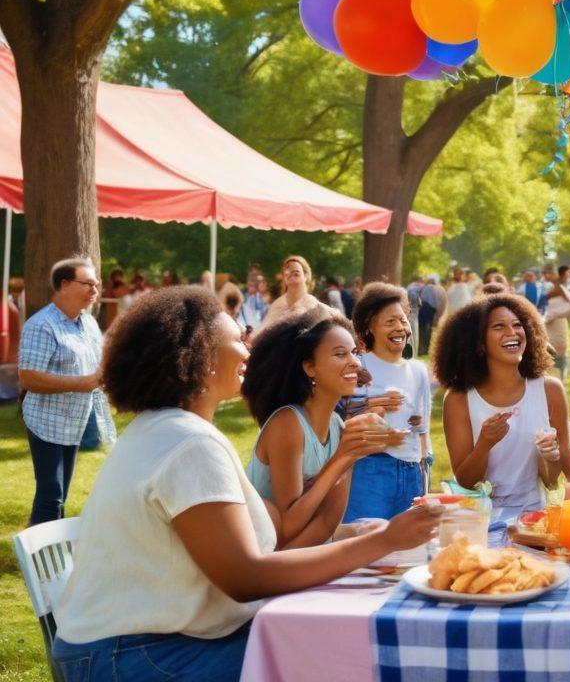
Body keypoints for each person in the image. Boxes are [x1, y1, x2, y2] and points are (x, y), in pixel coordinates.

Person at [50, 287, 441, 679]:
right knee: (335, 659)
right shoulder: (188, 443)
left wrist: (349, 494)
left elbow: (269, 541)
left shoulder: (170, 429)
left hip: (145, 643)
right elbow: (247, 578)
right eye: (238, 339)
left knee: (324, 645)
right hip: (129, 655)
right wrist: (384, 541)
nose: (247, 350)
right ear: (202, 357)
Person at [242, 307, 390, 547]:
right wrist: (343, 457)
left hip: (292, 555)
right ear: (310, 368)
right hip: (263, 555)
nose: (354, 362)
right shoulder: (288, 424)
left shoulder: (337, 426)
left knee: (378, 528)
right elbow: (288, 529)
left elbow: (326, 523)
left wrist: (352, 451)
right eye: (340, 354)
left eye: (354, 352)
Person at [434, 295, 570, 513]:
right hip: (479, 519)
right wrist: (484, 444)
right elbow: (466, 481)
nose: (512, 333)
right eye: (499, 326)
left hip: (533, 517)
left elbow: (557, 469)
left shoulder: (550, 390)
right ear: (479, 344)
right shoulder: (458, 399)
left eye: (517, 325)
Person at [18, 256, 116, 525]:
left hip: (73, 423)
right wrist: (82, 384)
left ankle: (51, 553)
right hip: (45, 422)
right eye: (88, 284)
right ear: (64, 284)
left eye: (96, 284)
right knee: (51, 496)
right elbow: (28, 378)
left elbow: (97, 368)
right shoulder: (41, 325)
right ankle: (37, 559)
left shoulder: (89, 324)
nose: (95, 290)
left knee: (61, 495)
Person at [341, 283, 433, 521]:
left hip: (412, 471)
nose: (400, 328)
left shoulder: (418, 370)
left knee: (408, 551)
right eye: (390, 322)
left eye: (403, 321)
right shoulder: (359, 366)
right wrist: (375, 415)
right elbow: (341, 422)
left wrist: (426, 470)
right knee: (364, 545)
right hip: (370, 470)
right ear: (370, 327)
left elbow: (423, 430)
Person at [544, 265, 570, 379]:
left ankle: (561, 371)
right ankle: (549, 370)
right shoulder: (555, 284)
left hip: (560, 319)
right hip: (550, 317)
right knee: (550, 342)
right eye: (568, 272)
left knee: (561, 344)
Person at [262, 255, 321, 326]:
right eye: (287, 275)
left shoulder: (313, 305)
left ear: (306, 275)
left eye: (296, 274)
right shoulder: (277, 306)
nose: (292, 278)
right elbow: (263, 329)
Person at [417, 275, 447, 356]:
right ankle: (426, 349)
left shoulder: (423, 288)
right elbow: (440, 303)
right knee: (428, 329)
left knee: (421, 329)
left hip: (423, 310)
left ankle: (420, 348)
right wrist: (438, 314)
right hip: (431, 310)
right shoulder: (439, 289)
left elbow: (420, 299)